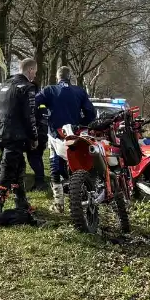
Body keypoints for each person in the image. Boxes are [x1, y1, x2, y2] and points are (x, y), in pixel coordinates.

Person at [37, 66, 95, 213]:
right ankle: (81, 198)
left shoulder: (49, 90)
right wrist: (81, 123)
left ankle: (59, 203)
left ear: (58, 77)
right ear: (70, 77)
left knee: (55, 165)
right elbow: (91, 113)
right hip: (74, 135)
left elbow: (34, 103)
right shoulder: (79, 91)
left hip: (55, 135)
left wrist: (43, 116)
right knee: (77, 165)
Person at [0, 58, 40, 218]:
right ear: (30, 70)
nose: (35, 76)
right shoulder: (28, 87)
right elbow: (30, 116)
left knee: (19, 166)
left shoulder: (3, 85)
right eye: (35, 72)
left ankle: (21, 201)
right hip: (15, 134)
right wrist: (34, 137)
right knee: (8, 168)